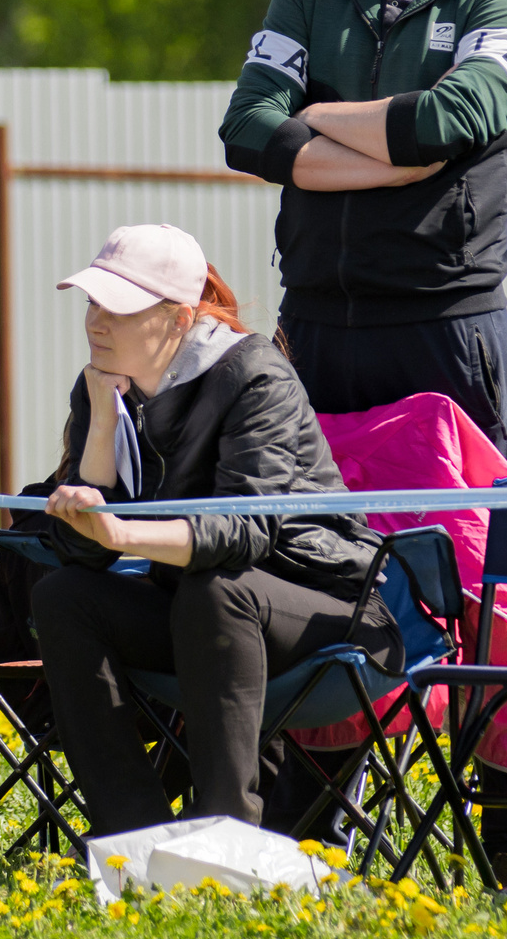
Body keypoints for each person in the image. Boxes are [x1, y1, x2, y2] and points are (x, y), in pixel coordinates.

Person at [216, 0, 507, 890]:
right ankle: (314, 814)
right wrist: (377, 141)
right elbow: (246, 129)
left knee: (484, 581)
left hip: (446, 336)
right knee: (314, 563)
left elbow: (458, 122)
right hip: (314, 334)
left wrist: (315, 122)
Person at [25, 225, 396, 837]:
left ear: (179, 318)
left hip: (332, 612)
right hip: (198, 614)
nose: (96, 321)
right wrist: (97, 430)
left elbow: (243, 534)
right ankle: (131, 837)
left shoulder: (255, 375)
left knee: (218, 589)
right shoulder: (100, 384)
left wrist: (118, 534)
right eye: (92, 301)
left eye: (118, 307)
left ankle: (227, 835)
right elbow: (78, 552)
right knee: (62, 597)